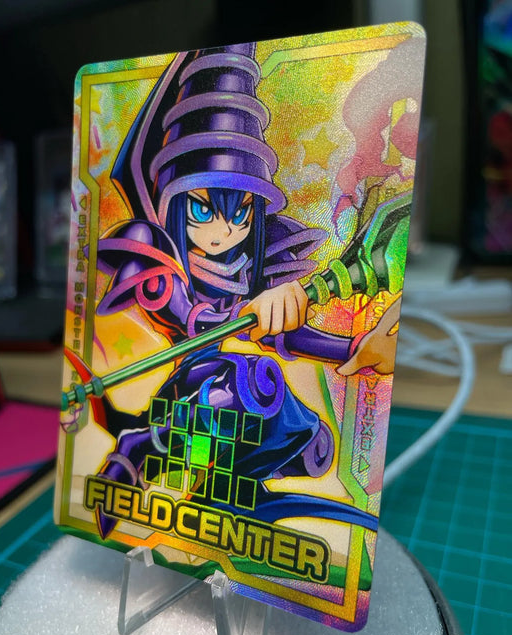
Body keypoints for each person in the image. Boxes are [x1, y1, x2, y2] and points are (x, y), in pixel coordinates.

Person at [89, 42, 398, 538]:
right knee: (249, 378)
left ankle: (220, 494)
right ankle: (141, 448)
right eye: (203, 209)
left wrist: (356, 347)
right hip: (193, 388)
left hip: (224, 405)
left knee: (314, 444)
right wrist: (245, 315)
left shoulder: (252, 269)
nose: (224, 230)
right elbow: (190, 318)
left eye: (240, 212)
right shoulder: (158, 256)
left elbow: (287, 335)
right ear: (173, 201)